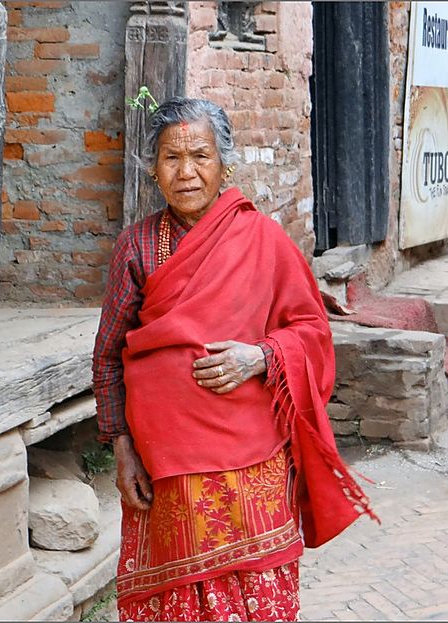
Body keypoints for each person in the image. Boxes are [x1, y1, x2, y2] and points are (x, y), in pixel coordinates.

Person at [92, 97, 375, 622]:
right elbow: (108, 356)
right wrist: (122, 449)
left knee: (258, 597)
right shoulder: (136, 247)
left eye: (200, 156)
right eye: (171, 159)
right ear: (153, 170)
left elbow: (311, 330)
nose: (186, 172)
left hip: (252, 458)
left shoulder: (263, 238)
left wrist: (261, 356)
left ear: (224, 163)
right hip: (166, 466)